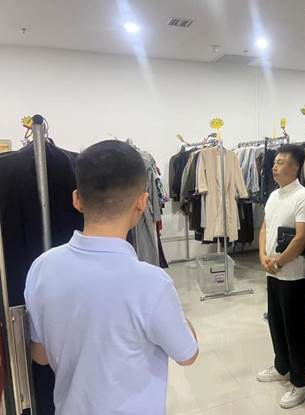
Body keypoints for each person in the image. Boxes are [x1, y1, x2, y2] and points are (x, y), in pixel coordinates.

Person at [24, 140, 199, 415]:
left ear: (77, 199)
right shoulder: (152, 284)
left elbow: (40, 356)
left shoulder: (41, 268)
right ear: (142, 202)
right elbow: (188, 355)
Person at [257, 144, 305, 409]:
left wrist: (279, 262)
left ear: (295, 167)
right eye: (275, 162)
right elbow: (265, 228)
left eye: (281, 162)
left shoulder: (303, 197)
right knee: (276, 321)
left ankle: (300, 382)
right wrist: (263, 256)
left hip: (292, 274)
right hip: (273, 271)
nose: (274, 166)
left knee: (294, 328)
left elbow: (302, 237)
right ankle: (281, 366)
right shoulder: (273, 196)